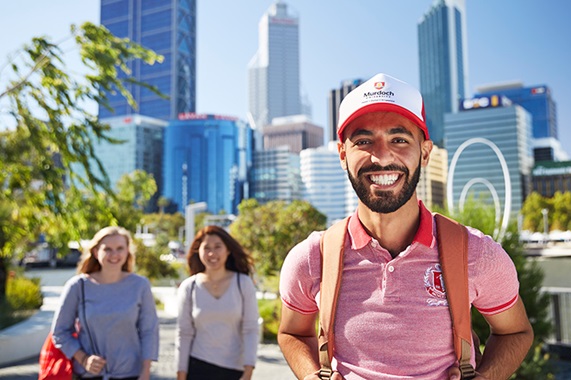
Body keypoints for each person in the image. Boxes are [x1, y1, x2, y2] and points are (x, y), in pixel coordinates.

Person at [277, 73, 534, 380]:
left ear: (425, 153)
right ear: (343, 155)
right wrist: (309, 376)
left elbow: (515, 332)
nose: (382, 155)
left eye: (399, 139)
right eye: (363, 141)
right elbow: (292, 333)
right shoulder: (312, 258)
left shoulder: (476, 253)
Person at [51, 226, 159, 380]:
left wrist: (146, 372)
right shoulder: (78, 286)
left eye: (120, 248)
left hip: (131, 375)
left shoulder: (140, 285)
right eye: (107, 249)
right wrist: (83, 359)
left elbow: (149, 331)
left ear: (128, 251)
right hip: (89, 375)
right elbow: (60, 331)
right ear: (96, 252)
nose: (114, 254)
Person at [176, 225, 260, 380]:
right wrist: (181, 374)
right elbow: (184, 333)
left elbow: (250, 329)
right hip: (196, 367)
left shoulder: (243, 283)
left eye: (217, 247)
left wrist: (248, 371)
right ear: (198, 251)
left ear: (228, 250)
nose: (211, 253)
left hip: (235, 370)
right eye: (206, 248)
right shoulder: (189, 287)